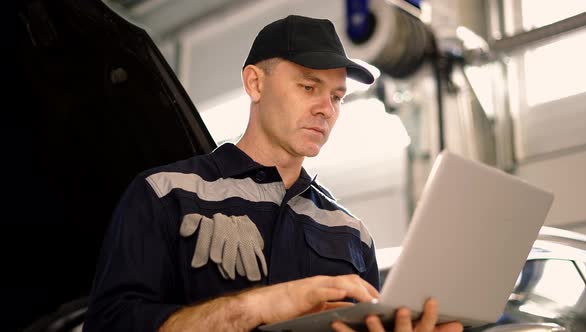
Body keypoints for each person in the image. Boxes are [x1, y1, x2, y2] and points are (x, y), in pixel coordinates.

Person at [83, 14, 463, 332]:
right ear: (255, 83)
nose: (326, 109)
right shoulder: (166, 194)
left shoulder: (350, 232)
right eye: (308, 86)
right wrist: (261, 306)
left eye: (336, 96)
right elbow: (111, 325)